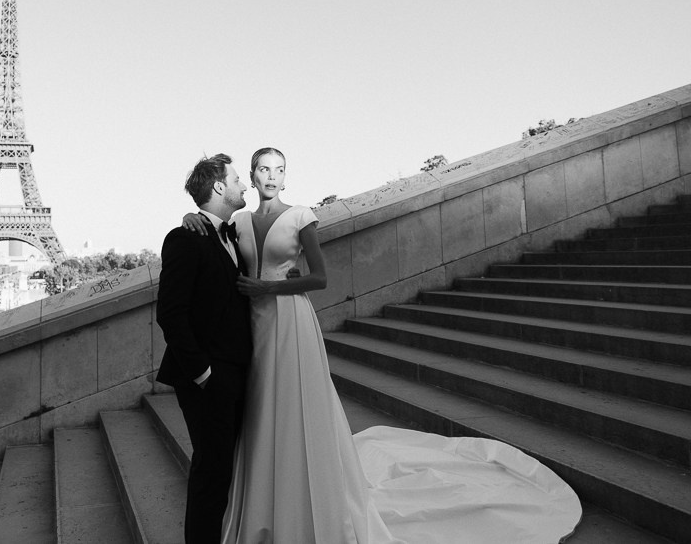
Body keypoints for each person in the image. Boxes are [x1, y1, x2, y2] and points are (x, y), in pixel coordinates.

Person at [182, 147, 582, 544]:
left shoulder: (302, 216)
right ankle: (262, 503)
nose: (272, 176)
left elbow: (320, 278)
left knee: (294, 406)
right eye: (263, 169)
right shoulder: (237, 221)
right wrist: (189, 217)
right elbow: (215, 241)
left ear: (287, 177)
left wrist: (271, 286)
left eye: (280, 170)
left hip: (290, 321)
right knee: (261, 410)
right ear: (251, 177)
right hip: (253, 325)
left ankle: (306, 502)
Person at [156, 153, 253, 544]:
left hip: (239, 369)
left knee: (225, 468)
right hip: (208, 377)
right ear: (218, 187)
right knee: (211, 472)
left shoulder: (233, 230)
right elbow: (171, 314)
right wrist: (203, 374)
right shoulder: (185, 238)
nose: (243, 185)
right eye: (236, 179)